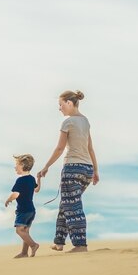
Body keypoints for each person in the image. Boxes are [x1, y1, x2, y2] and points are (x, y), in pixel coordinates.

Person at [38, 90, 99, 253]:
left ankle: (80, 245)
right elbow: (90, 148)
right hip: (87, 169)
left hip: (72, 168)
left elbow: (59, 148)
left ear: (70, 103)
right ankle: (59, 242)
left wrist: (46, 166)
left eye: (61, 104)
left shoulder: (67, 122)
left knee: (73, 207)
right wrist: (95, 171)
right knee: (66, 204)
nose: (59, 108)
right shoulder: (85, 121)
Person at [5, 154, 41, 258]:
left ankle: (33, 245)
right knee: (25, 231)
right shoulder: (31, 179)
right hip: (31, 210)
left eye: (17, 165)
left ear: (23, 165)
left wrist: (8, 199)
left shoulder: (20, 180)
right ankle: (24, 253)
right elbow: (37, 189)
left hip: (23, 210)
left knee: (19, 230)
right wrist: (39, 179)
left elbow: (16, 194)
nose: (15, 167)